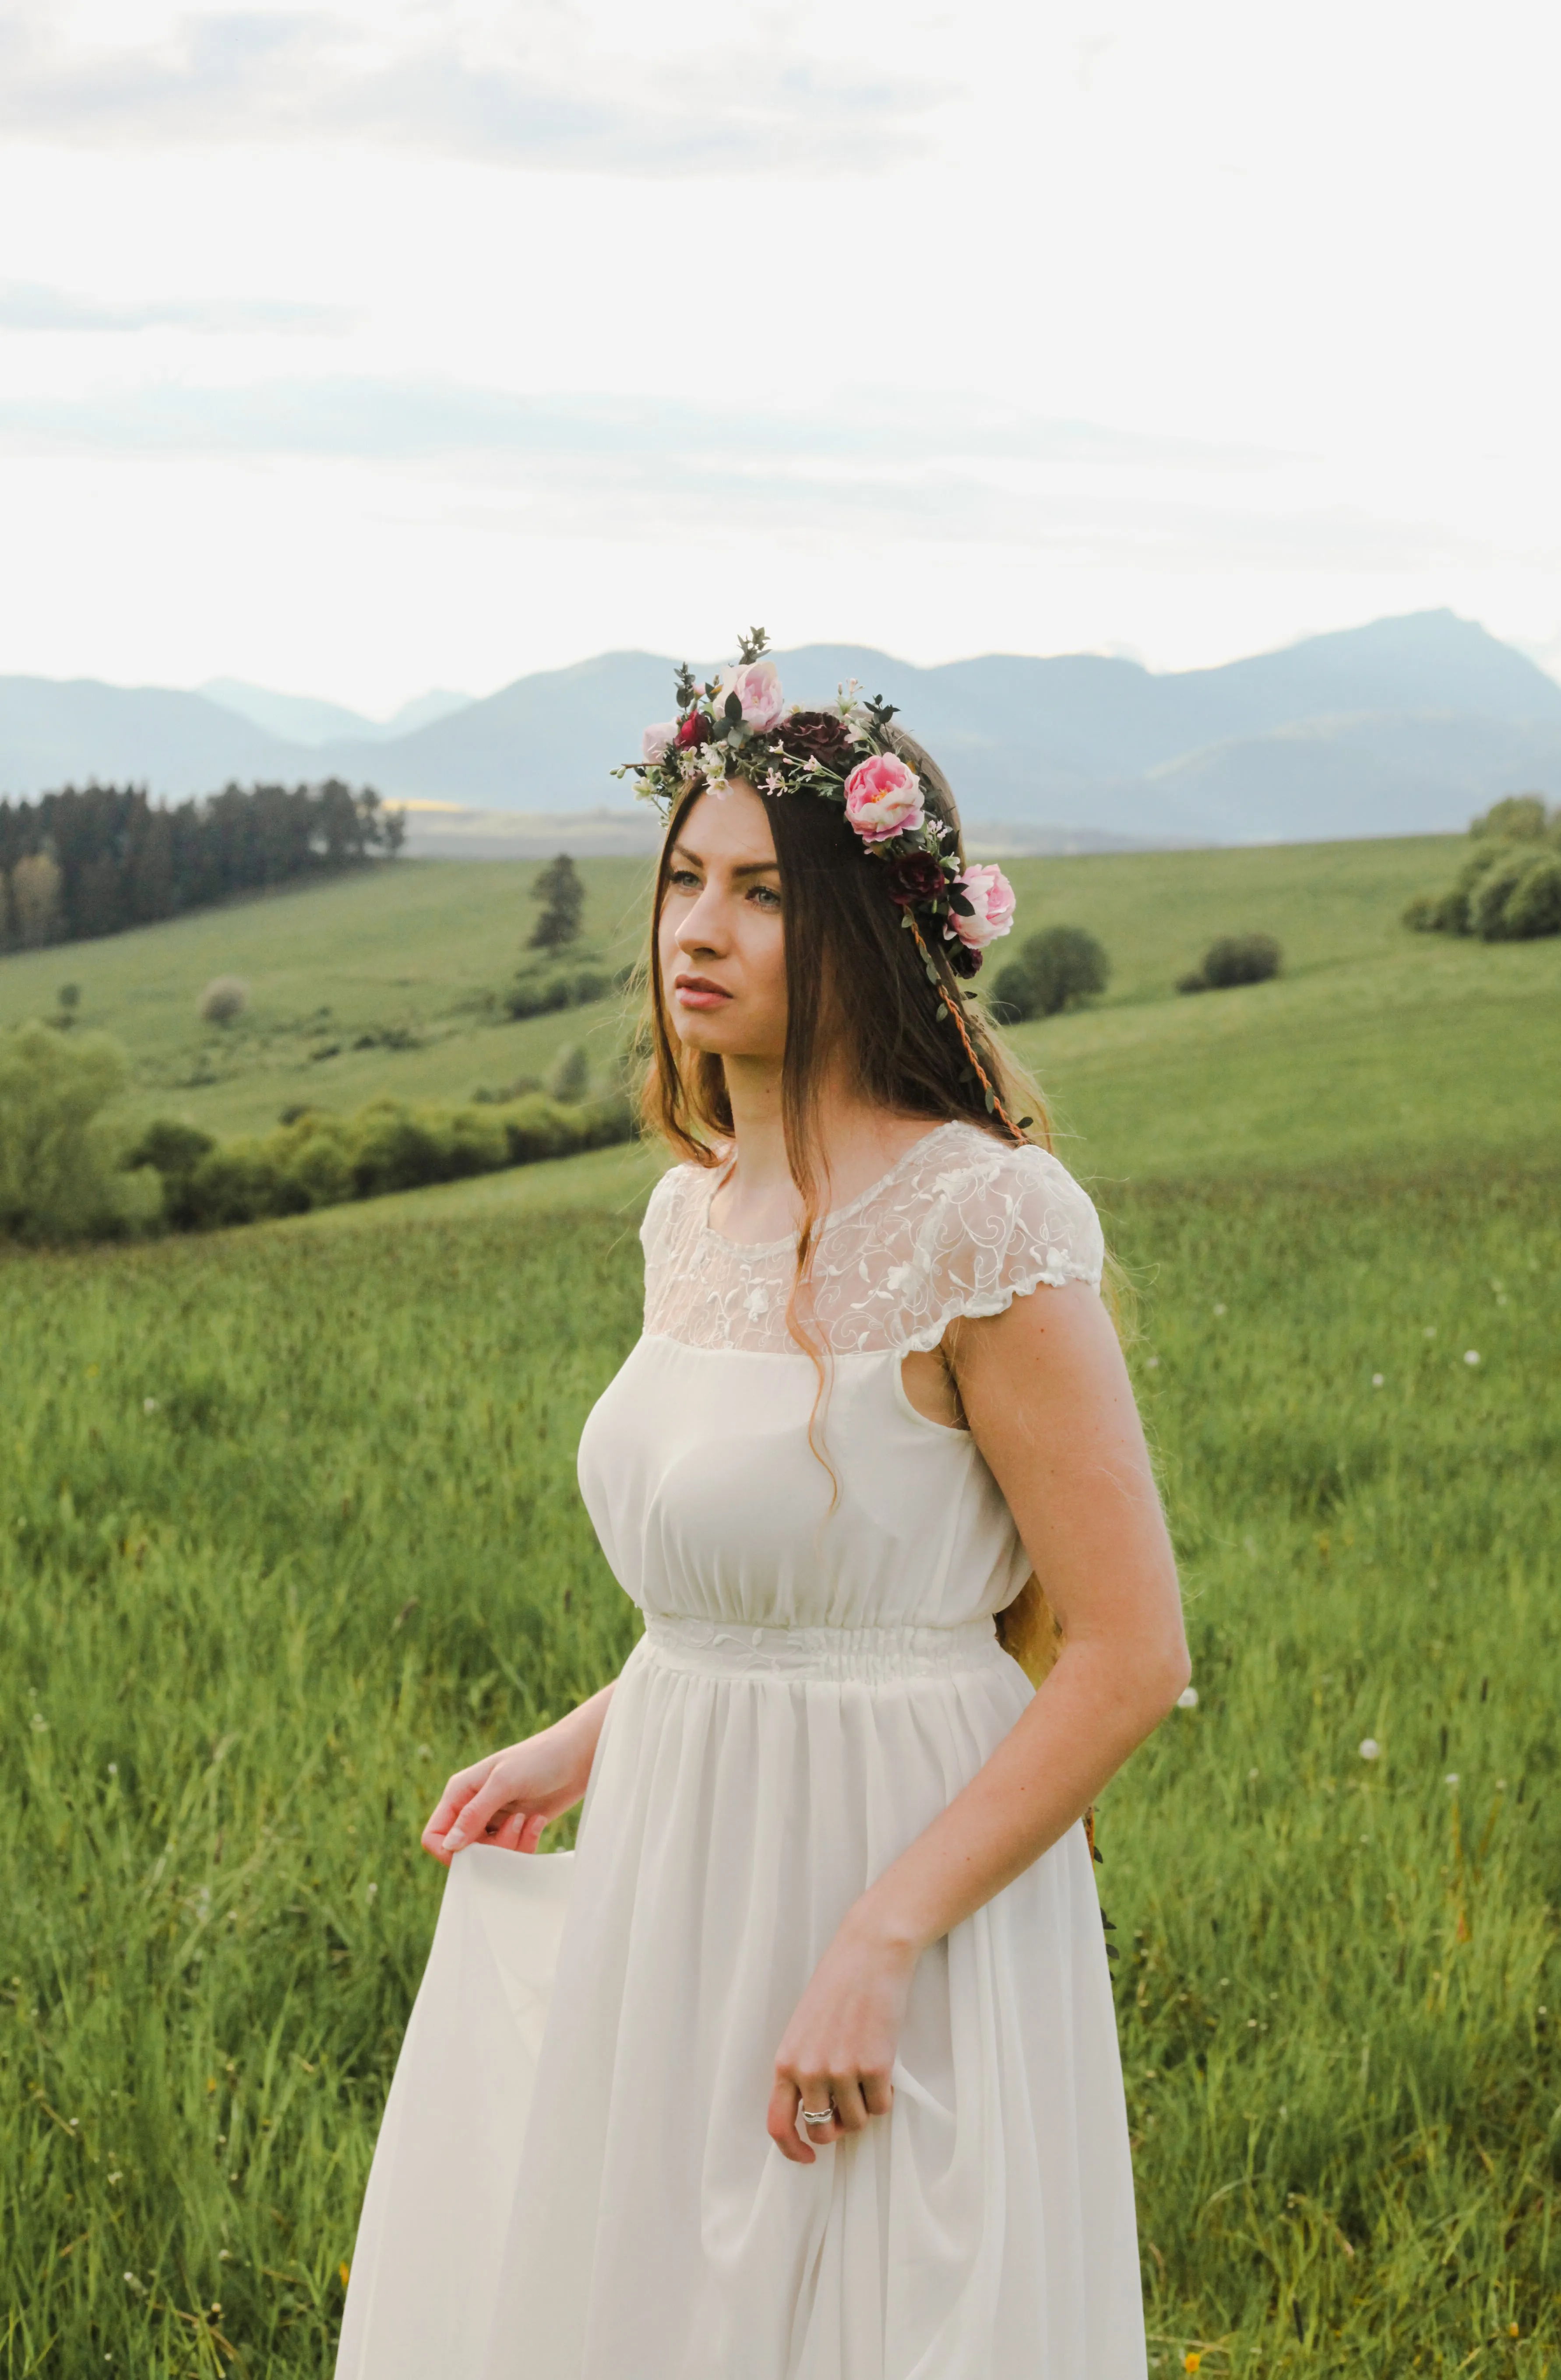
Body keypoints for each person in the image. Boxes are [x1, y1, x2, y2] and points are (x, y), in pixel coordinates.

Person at [336, 636, 1190, 2380]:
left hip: (899, 1879)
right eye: (682, 882)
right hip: (684, 1858)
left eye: (761, 895)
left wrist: (880, 1938)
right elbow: (773, 1590)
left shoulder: (990, 1225)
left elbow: (1125, 1651)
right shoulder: (691, 1216)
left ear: (872, 934)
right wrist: (594, 1734)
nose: (698, 931)